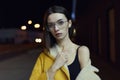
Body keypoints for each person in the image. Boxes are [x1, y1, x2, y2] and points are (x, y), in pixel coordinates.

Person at [29, 5, 101, 80]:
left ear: (69, 23)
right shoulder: (44, 56)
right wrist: (54, 67)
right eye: (51, 25)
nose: (56, 28)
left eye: (60, 22)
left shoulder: (82, 51)